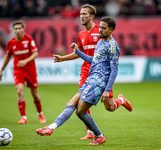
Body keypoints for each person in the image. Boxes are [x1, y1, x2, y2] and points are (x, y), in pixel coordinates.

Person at [35, 16, 133, 146]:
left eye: (104, 28)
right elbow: (94, 60)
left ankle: (96, 135)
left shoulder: (113, 46)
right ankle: (52, 128)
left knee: (80, 110)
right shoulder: (100, 42)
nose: (101, 30)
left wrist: (107, 90)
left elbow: (114, 70)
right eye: (101, 27)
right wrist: (77, 52)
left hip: (99, 82)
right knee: (74, 105)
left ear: (111, 30)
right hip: (90, 79)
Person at [0, 20, 46, 124]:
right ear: (13, 30)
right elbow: (7, 57)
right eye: (16, 29)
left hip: (30, 70)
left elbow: (35, 54)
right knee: (19, 91)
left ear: (23, 29)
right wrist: (1, 70)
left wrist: (25, 61)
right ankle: (23, 117)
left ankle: (40, 114)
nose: (18, 30)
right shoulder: (11, 43)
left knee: (34, 94)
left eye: (20, 28)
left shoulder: (28, 39)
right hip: (18, 70)